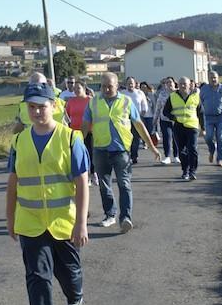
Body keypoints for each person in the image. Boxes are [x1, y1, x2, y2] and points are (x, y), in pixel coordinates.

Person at [6, 82, 90, 305]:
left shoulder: (70, 138)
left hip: (62, 221)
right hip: (30, 222)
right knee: (38, 277)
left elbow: (82, 183)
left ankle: (75, 299)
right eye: (31, 106)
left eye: (42, 106)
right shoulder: (19, 141)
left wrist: (81, 223)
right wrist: (9, 218)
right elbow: (13, 182)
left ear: (54, 106)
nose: (37, 111)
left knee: (69, 273)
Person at [82, 73, 161, 232]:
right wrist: (75, 146)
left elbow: (138, 124)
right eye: (103, 86)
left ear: (117, 86)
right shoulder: (94, 102)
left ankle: (125, 218)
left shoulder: (126, 101)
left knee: (124, 184)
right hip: (100, 149)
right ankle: (110, 214)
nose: (106, 89)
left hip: (121, 150)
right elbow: (84, 127)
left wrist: (151, 146)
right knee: (104, 185)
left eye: (109, 86)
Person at [163, 76, 205, 181]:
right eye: (181, 84)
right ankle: (185, 170)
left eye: (185, 84)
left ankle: (192, 171)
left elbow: (201, 113)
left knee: (192, 149)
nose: (182, 86)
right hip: (178, 126)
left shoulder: (195, 96)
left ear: (189, 85)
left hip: (192, 126)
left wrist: (203, 128)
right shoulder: (173, 96)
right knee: (182, 151)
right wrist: (173, 117)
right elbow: (165, 111)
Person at [64, 80, 98, 186]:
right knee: (78, 155)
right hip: (75, 132)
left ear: (84, 88)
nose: (76, 91)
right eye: (75, 89)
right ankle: (85, 176)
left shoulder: (90, 100)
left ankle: (94, 174)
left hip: (89, 131)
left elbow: (96, 115)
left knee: (90, 153)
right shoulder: (71, 101)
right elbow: (67, 115)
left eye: (78, 88)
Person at [200, 71, 222, 167]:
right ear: (208, 78)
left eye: (215, 77)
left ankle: (220, 158)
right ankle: (211, 150)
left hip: (221, 117)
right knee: (208, 137)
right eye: (211, 77)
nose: (213, 79)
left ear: (218, 78)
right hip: (208, 117)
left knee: (221, 139)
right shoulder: (204, 89)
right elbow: (200, 102)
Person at [120, 77, 149, 164]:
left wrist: (142, 114)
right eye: (128, 83)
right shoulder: (122, 94)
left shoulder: (139, 93)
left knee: (136, 138)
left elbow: (144, 106)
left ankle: (134, 156)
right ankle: (127, 155)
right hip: (126, 119)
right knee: (127, 138)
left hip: (137, 118)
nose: (130, 85)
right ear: (126, 84)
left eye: (132, 83)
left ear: (135, 84)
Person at [154, 77, 180, 164]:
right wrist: (155, 118)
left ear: (174, 83)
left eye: (170, 82)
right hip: (164, 119)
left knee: (176, 138)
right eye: (167, 83)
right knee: (167, 137)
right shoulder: (162, 94)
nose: (169, 84)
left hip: (177, 119)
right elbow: (158, 107)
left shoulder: (179, 93)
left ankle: (176, 156)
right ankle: (167, 156)